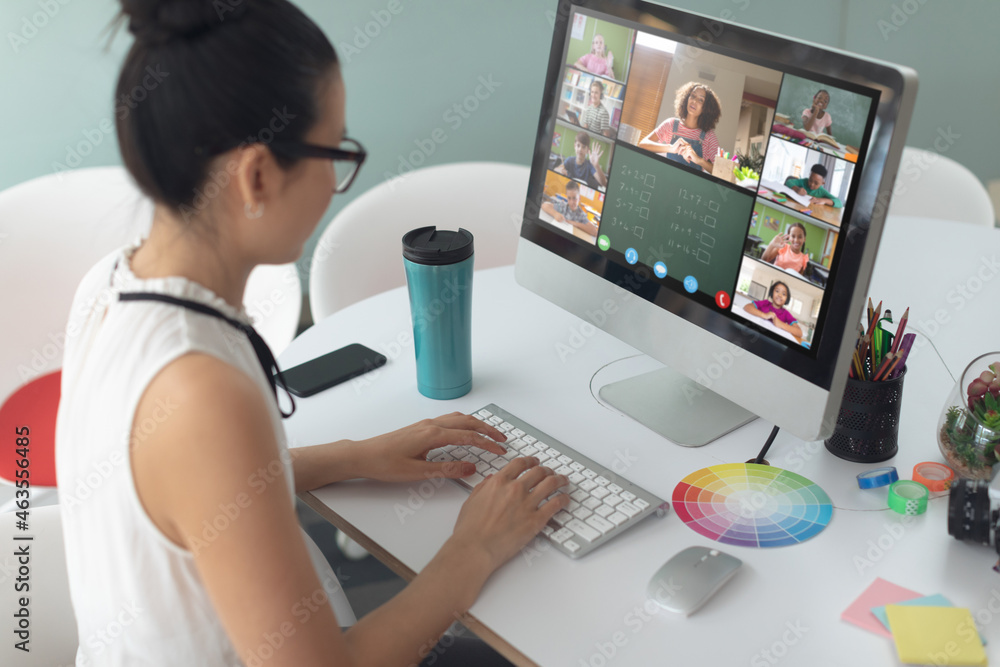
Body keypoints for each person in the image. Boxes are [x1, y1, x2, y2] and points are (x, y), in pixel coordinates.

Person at [55, 2, 569, 665]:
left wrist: (356, 455)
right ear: (258, 174)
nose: (335, 182)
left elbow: (192, 488)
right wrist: (475, 548)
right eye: (336, 152)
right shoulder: (202, 391)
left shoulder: (108, 286)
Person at [637, 81, 721, 173]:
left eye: (701, 100)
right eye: (692, 96)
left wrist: (699, 160)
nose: (694, 101)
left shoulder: (708, 136)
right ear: (686, 98)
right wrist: (670, 148)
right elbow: (642, 144)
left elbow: (721, 173)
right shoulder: (671, 124)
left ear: (706, 108)